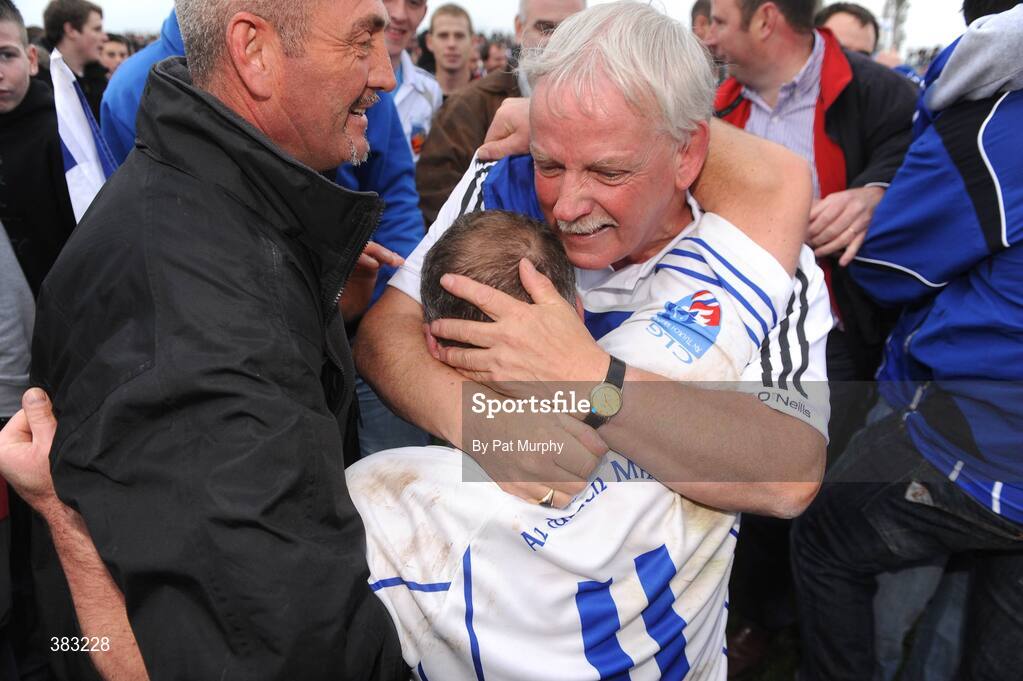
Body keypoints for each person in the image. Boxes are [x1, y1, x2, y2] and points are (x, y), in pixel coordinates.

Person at [29, 0, 411, 679]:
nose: (384, 74)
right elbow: (275, 655)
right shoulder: (207, 330)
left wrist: (314, 293)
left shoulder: (220, 204)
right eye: (363, 42)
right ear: (253, 51)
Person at [792, 3, 1023, 680]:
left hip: (980, 434)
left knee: (824, 536)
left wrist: (880, 198)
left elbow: (890, 268)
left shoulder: (995, 123)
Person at [415, 0, 586, 227]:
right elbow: (438, 200)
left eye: (570, 29)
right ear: (518, 28)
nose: (556, 42)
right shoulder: (467, 106)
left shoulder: (607, 106)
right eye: (545, 28)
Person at [382, 0, 443, 161]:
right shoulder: (327, 80)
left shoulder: (431, 91)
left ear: (423, 13)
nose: (400, 14)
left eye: (414, 3)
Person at [42, 0, 106, 118]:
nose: (105, 37)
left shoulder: (100, 78)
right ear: (71, 30)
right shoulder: (42, 86)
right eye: (97, 29)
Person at [424, 4, 474, 98]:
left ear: (472, 42)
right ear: (429, 42)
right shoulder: (415, 96)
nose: (452, 44)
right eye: (443, 36)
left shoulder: (488, 97)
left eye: (459, 36)